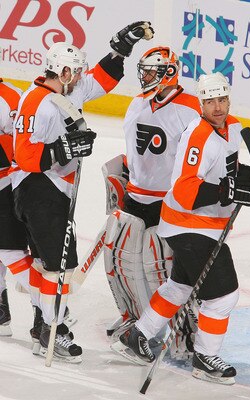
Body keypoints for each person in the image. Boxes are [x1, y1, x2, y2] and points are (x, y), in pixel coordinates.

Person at [10, 21, 154, 363]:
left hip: (51, 190)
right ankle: (52, 330)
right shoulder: (38, 102)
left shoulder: (67, 91)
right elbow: (26, 156)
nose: (79, 76)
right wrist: (63, 149)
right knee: (60, 268)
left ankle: (41, 328)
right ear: (62, 71)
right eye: (74, 71)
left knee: (49, 265)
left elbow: (102, 80)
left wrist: (121, 49)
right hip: (38, 189)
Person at [111, 72, 250, 384]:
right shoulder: (197, 137)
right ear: (201, 103)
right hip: (188, 225)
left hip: (202, 223)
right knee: (223, 296)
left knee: (178, 286)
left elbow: (229, 169)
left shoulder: (232, 126)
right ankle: (205, 357)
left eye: (222, 99)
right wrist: (227, 192)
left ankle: (136, 336)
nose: (218, 106)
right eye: (210, 101)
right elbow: (183, 191)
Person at [103, 46, 201, 359]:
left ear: (169, 73)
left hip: (167, 204)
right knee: (120, 264)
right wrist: (122, 178)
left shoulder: (191, 110)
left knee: (163, 270)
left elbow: (198, 161)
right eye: (143, 70)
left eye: (151, 72)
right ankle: (135, 324)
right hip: (134, 198)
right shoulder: (137, 103)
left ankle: (184, 333)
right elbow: (132, 151)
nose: (144, 77)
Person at [0, 79, 34, 336]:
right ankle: (1, 312)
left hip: (7, 185)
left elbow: (21, 147)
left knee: (10, 251)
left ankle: (51, 308)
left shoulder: (11, 97)